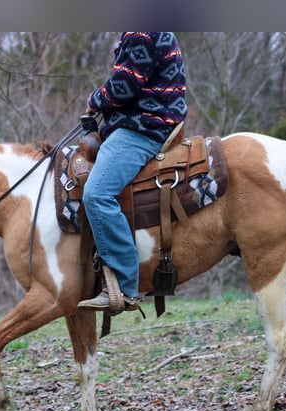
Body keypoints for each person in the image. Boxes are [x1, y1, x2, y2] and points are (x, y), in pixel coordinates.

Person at [78, 32, 187, 312]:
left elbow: (123, 88)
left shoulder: (142, 29)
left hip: (144, 128)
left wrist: (95, 100)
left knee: (97, 193)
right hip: (142, 120)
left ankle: (125, 286)